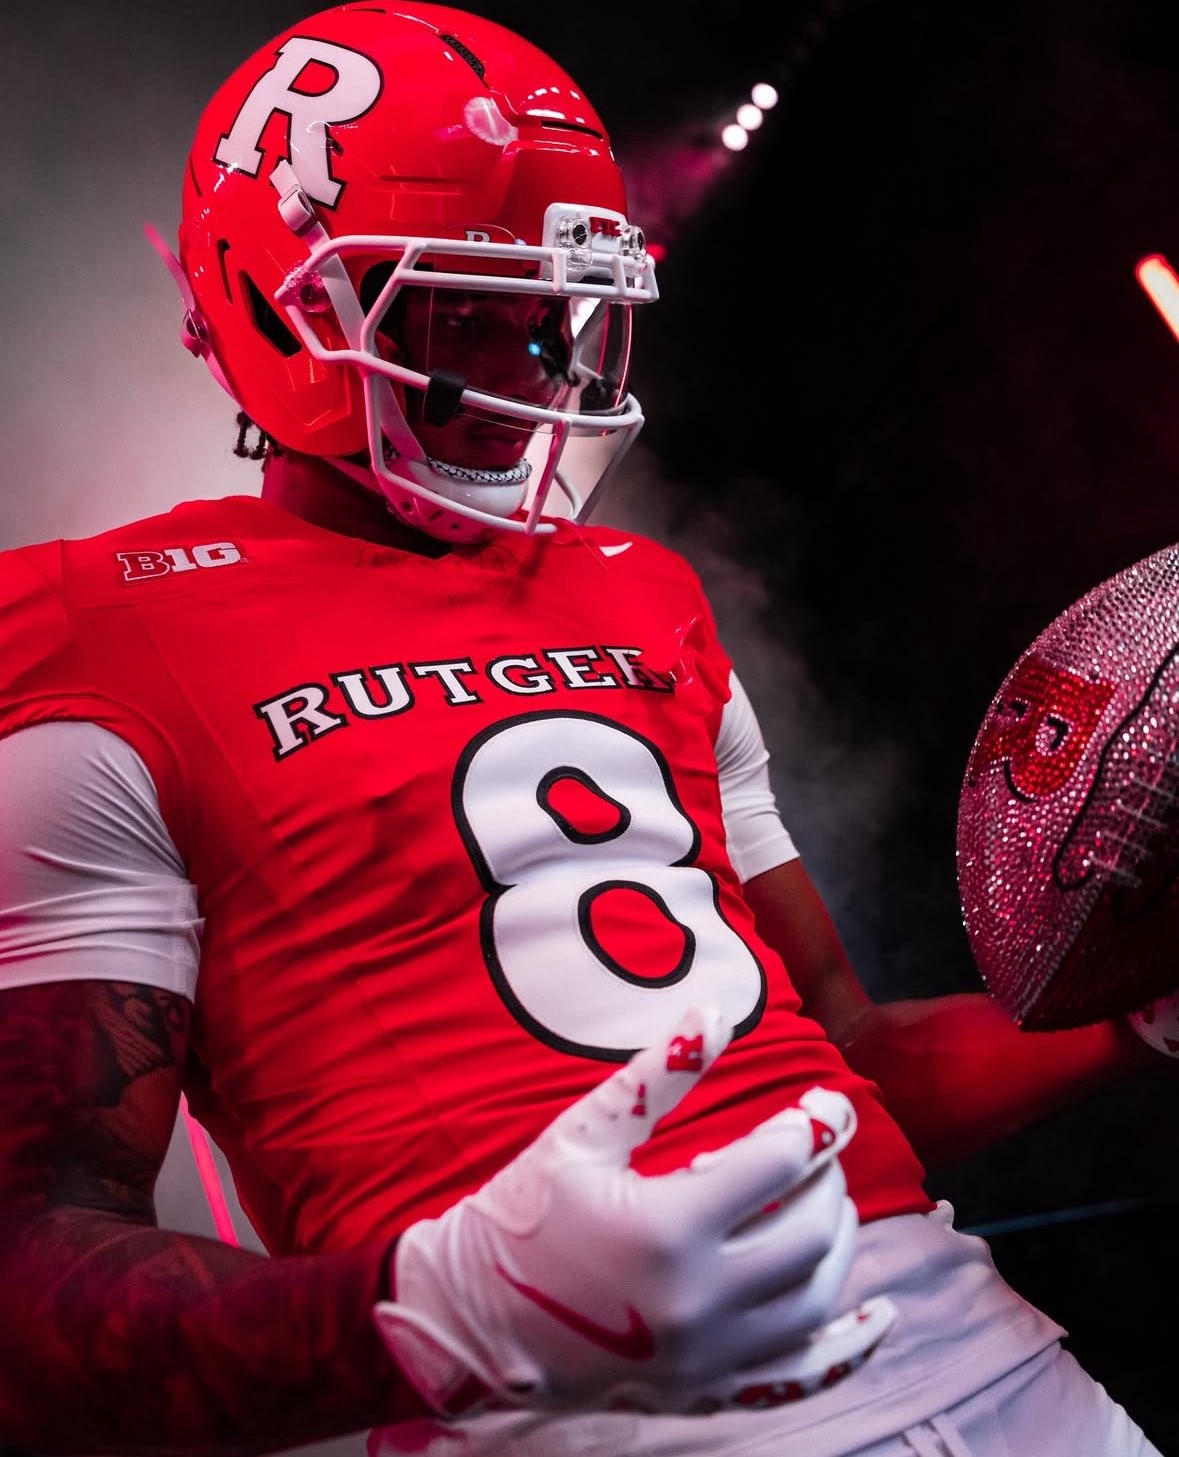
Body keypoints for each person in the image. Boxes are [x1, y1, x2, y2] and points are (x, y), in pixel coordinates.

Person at [0, 4, 1171, 1454]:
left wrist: (1138, 1025)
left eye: (553, 313)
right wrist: (440, 1311)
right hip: (574, 1421)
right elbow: (33, 1279)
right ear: (276, 300)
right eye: (458, 313)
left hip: (981, 1349)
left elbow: (847, 1058)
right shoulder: (96, 627)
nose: (527, 373)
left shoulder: (642, 591)